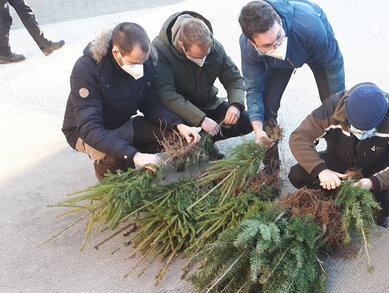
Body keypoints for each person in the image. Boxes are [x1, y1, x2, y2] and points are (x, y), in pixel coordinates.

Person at [62, 22, 199, 180]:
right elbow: (89, 127)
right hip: (87, 131)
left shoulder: (144, 60)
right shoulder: (86, 69)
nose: (141, 67)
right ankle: (111, 181)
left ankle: (135, 156)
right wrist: (134, 155)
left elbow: (150, 103)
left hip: (122, 122)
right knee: (116, 160)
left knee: (177, 136)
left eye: (144, 61)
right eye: (135, 63)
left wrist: (177, 124)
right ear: (116, 53)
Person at [288, 83, 389, 227]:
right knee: (297, 174)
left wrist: (372, 182)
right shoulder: (332, 107)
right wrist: (321, 170)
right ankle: (331, 201)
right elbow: (299, 137)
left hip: (377, 168)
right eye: (356, 127)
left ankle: (378, 214)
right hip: (339, 162)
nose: (361, 133)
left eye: (367, 130)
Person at [238, 0, 345, 170]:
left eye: (278, 37)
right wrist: (258, 129)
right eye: (267, 44)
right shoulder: (249, 49)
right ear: (252, 42)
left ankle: (337, 155)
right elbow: (253, 89)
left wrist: (338, 103)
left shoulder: (310, 26)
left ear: (279, 21)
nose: (277, 46)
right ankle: (271, 168)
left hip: (308, 47)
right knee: (266, 109)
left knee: (334, 106)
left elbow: (333, 66)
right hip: (274, 62)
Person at [153, 11, 252, 159]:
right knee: (171, 134)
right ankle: (186, 148)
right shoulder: (160, 50)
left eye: (206, 54)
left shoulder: (214, 46)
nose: (203, 60)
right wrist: (201, 120)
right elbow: (168, 95)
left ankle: (205, 144)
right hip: (177, 113)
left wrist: (236, 105)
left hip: (207, 103)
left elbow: (234, 79)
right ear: (181, 45)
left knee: (245, 121)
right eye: (198, 57)